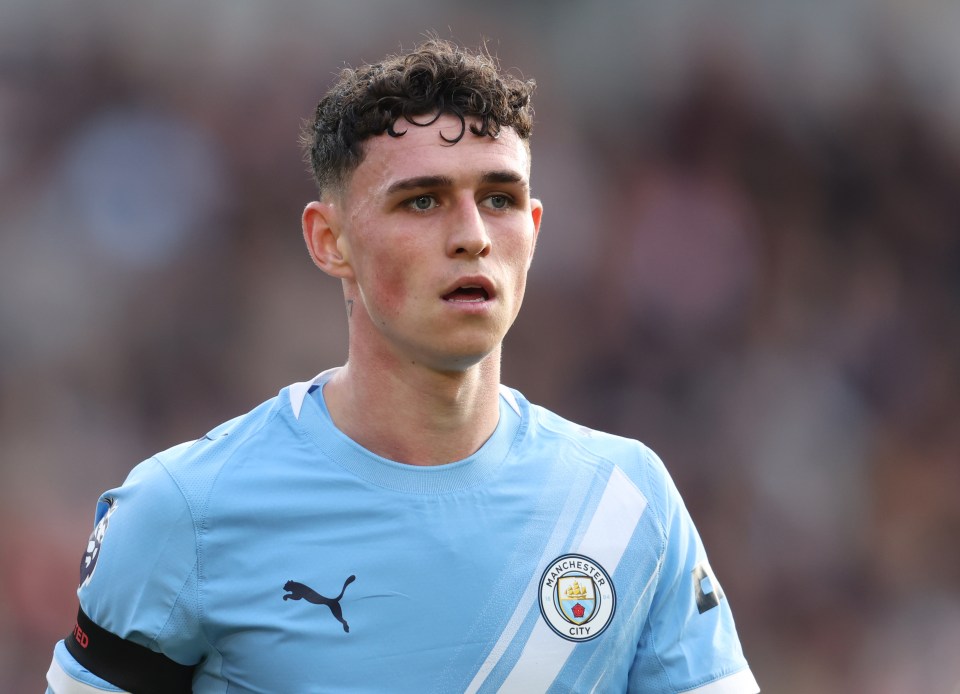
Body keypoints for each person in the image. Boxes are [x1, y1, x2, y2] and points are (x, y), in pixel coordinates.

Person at [46, 39, 759, 693]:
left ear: (533, 232)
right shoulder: (187, 511)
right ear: (331, 241)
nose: (473, 237)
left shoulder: (626, 503)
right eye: (423, 201)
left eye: (500, 200)